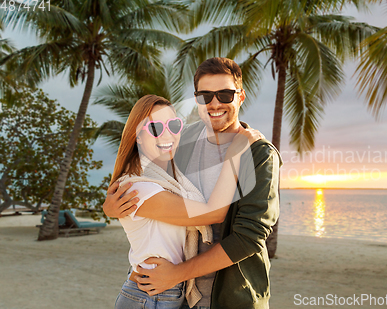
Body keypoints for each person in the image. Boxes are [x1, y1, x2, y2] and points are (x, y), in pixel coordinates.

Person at [104, 57, 282, 309]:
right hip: (182, 297)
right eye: (205, 96)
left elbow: (249, 237)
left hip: (231, 298)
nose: (215, 103)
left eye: (225, 95)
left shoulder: (258, 154)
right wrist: (112, 207)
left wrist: (178, 273)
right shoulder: (182, 138)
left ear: (240, 97)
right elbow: (148, 173)